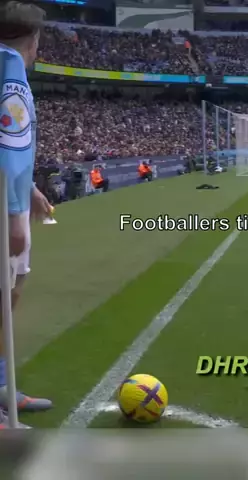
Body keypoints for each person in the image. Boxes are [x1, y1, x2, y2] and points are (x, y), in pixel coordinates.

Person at [0, 1, 54, 429]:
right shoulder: (10, 67)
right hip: (4, 206)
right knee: (5, 293)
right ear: (32, 39)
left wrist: (30, 188)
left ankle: (2, 383)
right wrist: (15, 215)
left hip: (12, 195)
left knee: (12, 290)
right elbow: (10, 144)